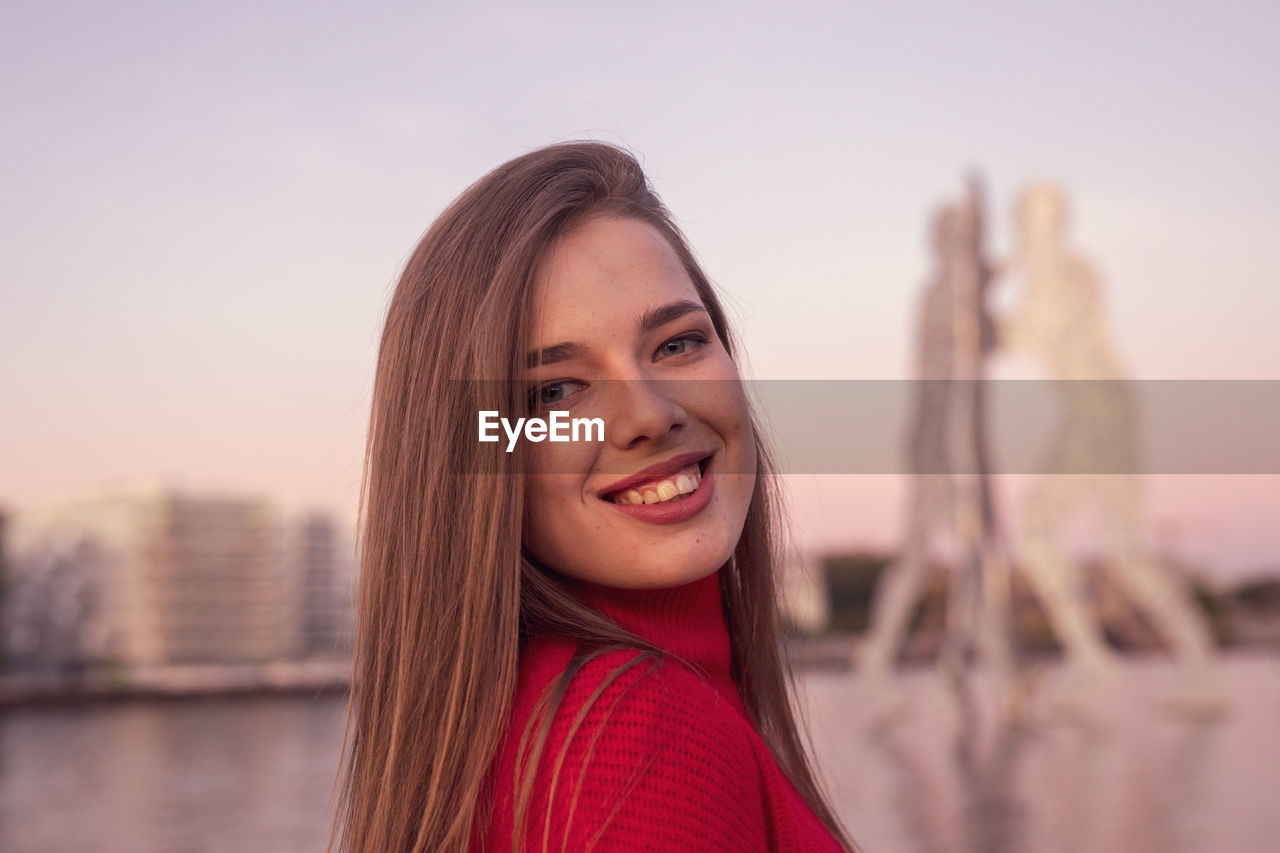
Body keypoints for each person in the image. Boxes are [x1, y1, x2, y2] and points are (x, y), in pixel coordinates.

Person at [328, 142, 855, 851]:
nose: (649, 414)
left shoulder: (554, 716)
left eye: (677, 343)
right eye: (554, 391)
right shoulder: (636, 732)